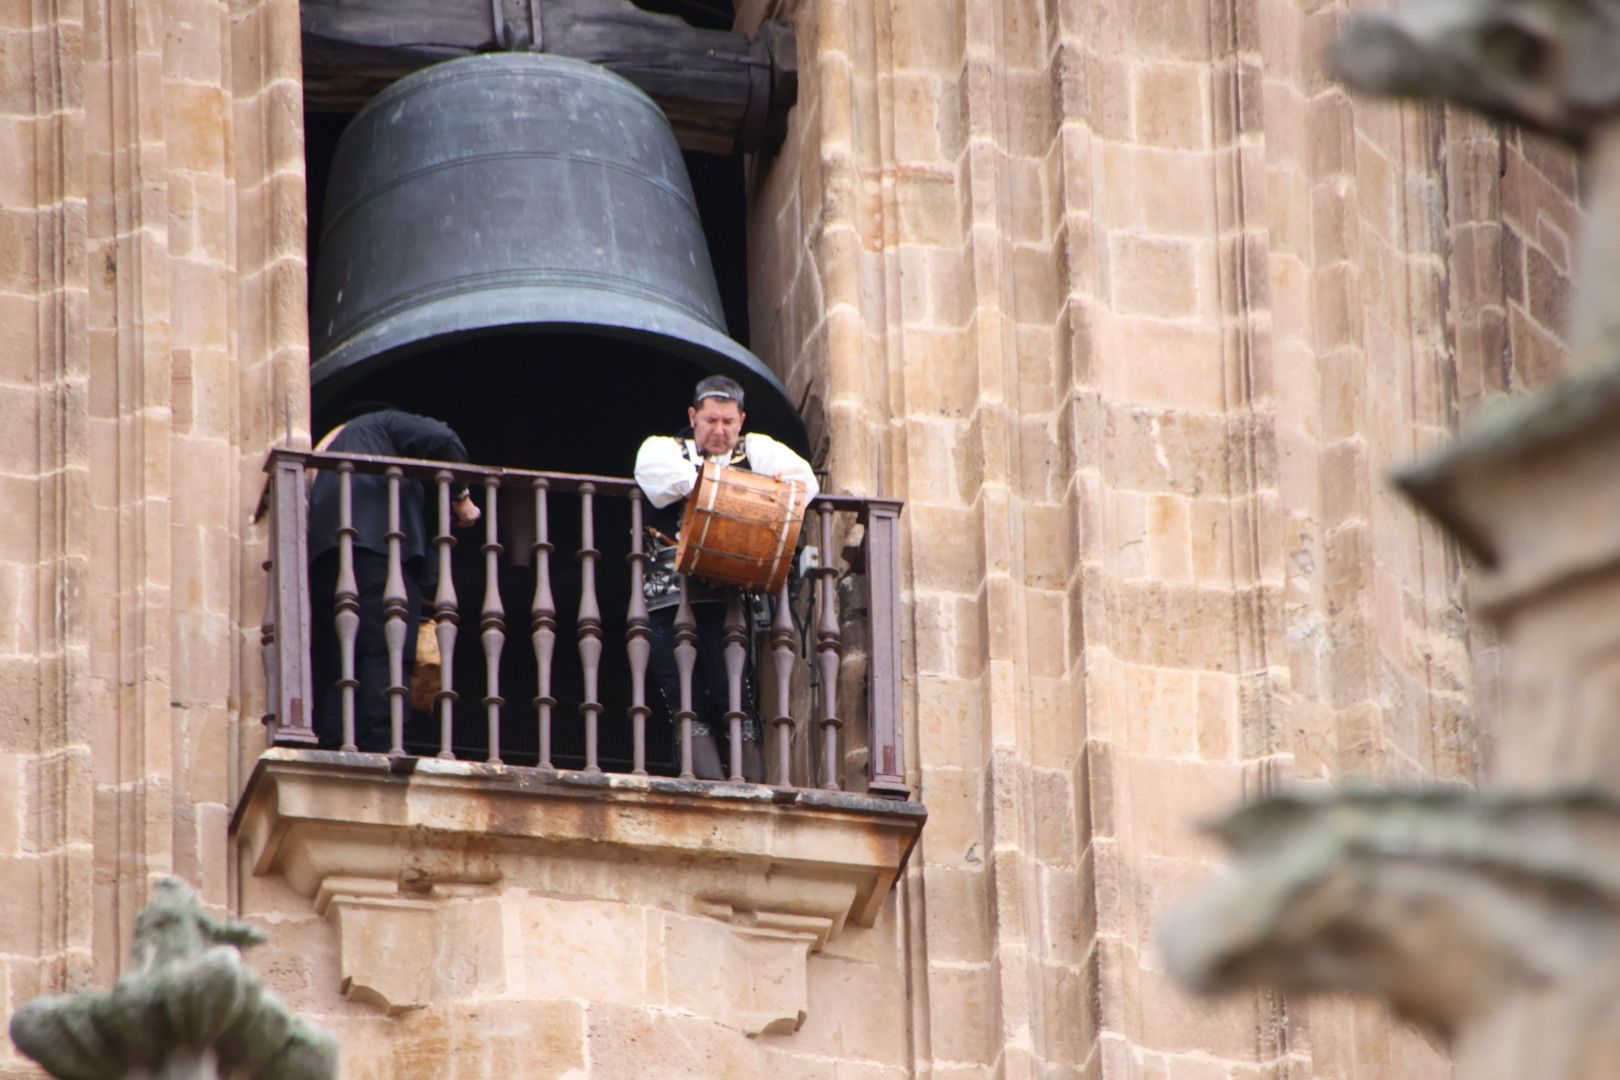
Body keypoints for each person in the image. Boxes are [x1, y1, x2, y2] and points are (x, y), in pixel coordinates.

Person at [634, 374, 819, 781]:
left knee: (730, 688)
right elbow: (658, 480)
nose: (719, 431)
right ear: (693, 416)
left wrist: (726, 489)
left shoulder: (757, 449)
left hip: (729, 596)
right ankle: (711, 784)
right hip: (669, 595)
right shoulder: (665, 449)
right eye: (711, 420)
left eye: (728, 423)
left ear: (741, 421)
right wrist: (737, 489)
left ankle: (746, 785)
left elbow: (803, 483)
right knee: (680, 690)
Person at [307, 406, 481, 752]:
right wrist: (461, 497)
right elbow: (442, 437)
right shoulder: (381, 422)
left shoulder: (322, 461)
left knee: (342, 656)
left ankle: (336, 740)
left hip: (327, 562)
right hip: (377, 552)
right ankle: (382, 746)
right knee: (386, 648)